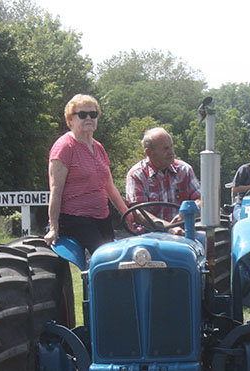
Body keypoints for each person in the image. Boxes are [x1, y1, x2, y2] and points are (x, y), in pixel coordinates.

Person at [44, 94, 128, 254]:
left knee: (118, 258)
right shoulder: (64, 147)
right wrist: (53, 227)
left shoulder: (99, 147)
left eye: (93, 114)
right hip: (75, 219)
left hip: (102, 218)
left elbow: (110, 188)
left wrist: (127, 214)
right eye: (82, 114)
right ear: (70, 120)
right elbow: (56, 190)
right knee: (104, 257)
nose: (89, 118)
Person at [126, 127, 201, 235]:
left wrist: (188, 212)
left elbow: (200, 199)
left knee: (207, 244)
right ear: (149, 152)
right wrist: (168, 227)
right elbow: (138, 213)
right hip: (149, 236)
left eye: (171, 146)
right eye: (165, 148)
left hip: (185, 233)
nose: (171, 152)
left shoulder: (185, 170)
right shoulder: (137, 175)